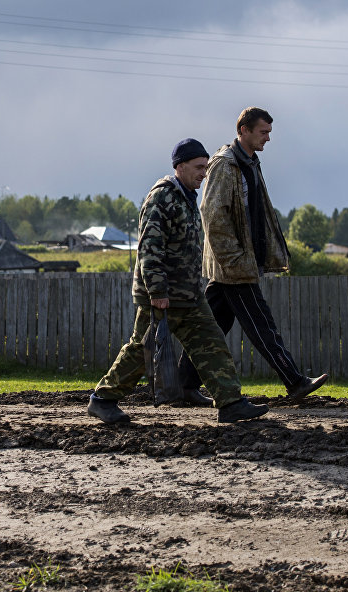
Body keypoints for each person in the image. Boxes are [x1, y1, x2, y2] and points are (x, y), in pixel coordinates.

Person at [87, 138, 269, 425]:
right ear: (180, 166)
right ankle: (102, 399)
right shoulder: (162, 197)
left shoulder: (186, 197)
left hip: (188, 296)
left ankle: (231, 402)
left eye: (206, 167)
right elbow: (150, 248)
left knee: (211, 343)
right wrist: (158, 291)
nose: (204, 172)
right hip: (162, 297)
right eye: (198, 167)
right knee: (141, 351)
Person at [177, 107, 328, 400]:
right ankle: (295, 382)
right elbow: (212, 214)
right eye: (264, 132)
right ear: (243, 130)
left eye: (269, 132)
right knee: (262, 325)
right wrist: (233, 259)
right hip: (234, 266)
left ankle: (183, 385)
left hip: (237, 263)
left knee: (210, 327)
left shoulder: (249, 162)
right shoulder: (225, 164)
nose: (268, 138)